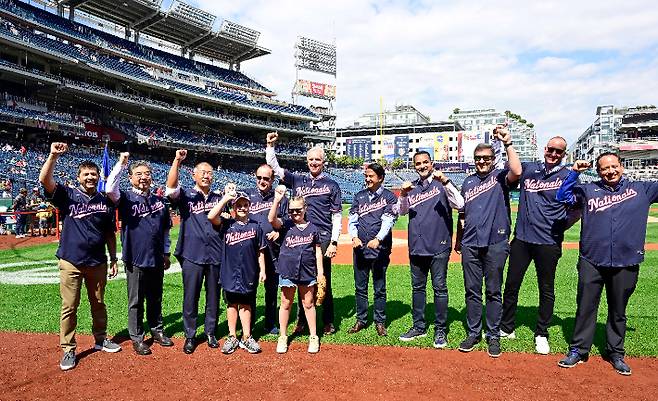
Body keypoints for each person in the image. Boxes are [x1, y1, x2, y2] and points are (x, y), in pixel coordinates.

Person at [555, 153, 658, 376]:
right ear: (598, 171)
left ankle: (616, 353)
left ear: (622, 166)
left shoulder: (642, 188)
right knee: (585, 308)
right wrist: (574, 172)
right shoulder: (588, 190)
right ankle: (578, 350)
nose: (610, 171)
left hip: (626, 260)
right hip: (592, 259)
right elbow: (562, 196)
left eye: (614, 166)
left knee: (618, 310)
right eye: (604, 168)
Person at [39, 142, 121, 371]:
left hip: (97, 262)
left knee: (98, 303)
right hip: (71, 260)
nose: (90, 177)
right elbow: (45, 181)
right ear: (78, 178)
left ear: (98, 177)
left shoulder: (105, 201)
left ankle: (100, 339)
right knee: (69, 307)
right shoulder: (67, 195)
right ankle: (68, 348)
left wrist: (114, 259)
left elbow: (109, 234)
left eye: (93, 174)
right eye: (86, 174)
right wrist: (52, 156)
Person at [499, 136, 574, 355]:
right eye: (551, 149)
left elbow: (577, 208)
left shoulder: (568, 175)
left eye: (558, 151)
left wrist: (562, 226)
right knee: (512, 284)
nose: (553, 154)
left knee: (546, 289)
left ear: (564, 154)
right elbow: (514, 171)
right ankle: (507, 327)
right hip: (522, 238)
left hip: (548, 242)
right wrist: (508, 143)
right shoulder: (530, 169)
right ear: (545, 149)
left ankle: (541, 333)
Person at [266, 132, 341, 335]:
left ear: (323, 162)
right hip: (299, 235)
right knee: (300, 279)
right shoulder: (298, 180)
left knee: (323, 279)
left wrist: (334, 241)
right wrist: (270, 147)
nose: (314, 163)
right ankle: (301, 321)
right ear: (306, 161)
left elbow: (337, 215)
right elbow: (275, 167)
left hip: (323, 236)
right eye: (311, 160)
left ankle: (327, 320)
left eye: (317, 159)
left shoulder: (332, 185)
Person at [455, 126, 522, 358]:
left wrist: (507, 143)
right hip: (471, 244)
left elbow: (517, 171)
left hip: (496, 242)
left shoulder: (501, 176)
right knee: (472, 291)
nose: (482, 161)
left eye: (486, 158)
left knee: (494, 291)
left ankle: (493, 335)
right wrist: (459, 240)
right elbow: (462, 215)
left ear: (493, 160)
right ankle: (474, 332)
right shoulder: (468, 182)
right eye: (478, 158)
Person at [106, 152, 173, 356]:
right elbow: (109, 188)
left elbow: (165, 231)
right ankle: (137, 337)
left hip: (156, 257)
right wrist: (120, 163)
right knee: (135, 300)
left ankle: (157, 330)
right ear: (130, 177)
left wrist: (166, 253)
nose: (143, 177)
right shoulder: (125, 197)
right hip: (135, 257)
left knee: (156, 297)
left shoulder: (160, 201)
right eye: (138, 174)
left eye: (147, 173)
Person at [397, 152, 464, 347]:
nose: (422, 166)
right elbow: (401, 211)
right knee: (417, 288)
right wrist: (402, 194)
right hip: (417, 247)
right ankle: (419, 326)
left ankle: (440, 330)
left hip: (439, 245)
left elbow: (460, 204)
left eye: (425, 162)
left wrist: (446, 181)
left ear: (431, 163)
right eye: (418, 163)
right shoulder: (413, 188)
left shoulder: (441, 184)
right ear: (414, 166)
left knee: (439, 288)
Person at [165, 149, 223, 354]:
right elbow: (170, 187)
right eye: (203, 172)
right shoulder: (186, 195)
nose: (207, 175)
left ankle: (210, 332)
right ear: (194, 175)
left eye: (210, 172)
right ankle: (190, 335)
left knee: (214, 296)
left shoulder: (220, 197)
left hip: (216, 253)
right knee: (191, 296)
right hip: (192, 253)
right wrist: (176, 161)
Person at [208, 190, 267, 354]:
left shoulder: (256, 227)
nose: (242, 208)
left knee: (246, 305)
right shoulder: (227, 224)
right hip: (229, 272)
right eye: (239, 205)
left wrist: (262, 270)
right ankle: (232, 336)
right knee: (231, 304)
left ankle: (247, 337)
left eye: (245, 205)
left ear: (250, 207)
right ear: (233, 207)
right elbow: (211, 216)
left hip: (249, 271)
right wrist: (225, 198)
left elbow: (260, 251)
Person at [268, 186, 324, 353]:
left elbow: (318, 251)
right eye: (291, 210)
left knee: (308, 303)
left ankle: (313, 336)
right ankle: (283, 336)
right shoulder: (286, 225)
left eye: (298, 210)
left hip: (307, 271)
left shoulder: (313, 228)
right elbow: (272, 219)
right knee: (285, 304)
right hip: (287, 270)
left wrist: (320, 272)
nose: (294, 213)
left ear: (305, 209)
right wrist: (277, 200)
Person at [347, 163, 397, 337]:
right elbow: (352, 219)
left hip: (380, 249)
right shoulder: (359, 196)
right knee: (360, 287)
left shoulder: (390, 197)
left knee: (379, 287)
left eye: (371, 176)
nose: (367, 179)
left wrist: (378, 239)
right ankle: (361, 320)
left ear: (380, 178)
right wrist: (354, 237)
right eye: (366, 176)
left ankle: (380, 321)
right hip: (360, 249)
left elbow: (388, 221)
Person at [241, 164, 289, 335]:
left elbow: (287, 221)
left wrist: (278, 231)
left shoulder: (281, 198)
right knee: (250, 288)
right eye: (259, 177)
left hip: (273, 251)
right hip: (251, 251)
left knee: (271, 289)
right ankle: (249, 325)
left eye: (266, 178)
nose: (262, 181)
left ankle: (269, 323)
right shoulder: (246, 195)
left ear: (272, 180)